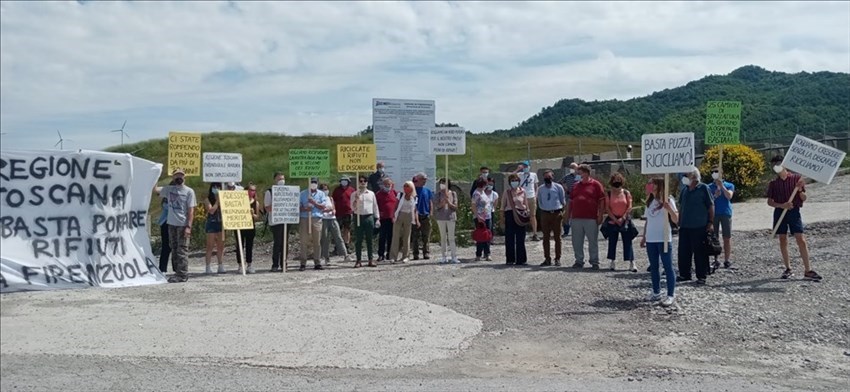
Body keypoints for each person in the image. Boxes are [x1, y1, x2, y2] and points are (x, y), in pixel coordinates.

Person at [766, 156, 821, 281]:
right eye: (774, 164)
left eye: (778, 163)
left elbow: (804, 198)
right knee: (782, 239)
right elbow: (769, 202)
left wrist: (800, 190)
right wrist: (782, 205)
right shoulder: (773, 184)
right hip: (780, 212)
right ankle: (788, 268)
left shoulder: (796, 179)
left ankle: (808, 270)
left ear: (784, 164)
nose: (776, 166)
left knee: (800, 239)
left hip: (794, 212)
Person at [640, 178, 678, 307]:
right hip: (651, 238)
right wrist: (644, 236)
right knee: (654, 266)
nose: (650, 185)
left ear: (658, 185)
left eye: (652, 183)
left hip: (664, 238)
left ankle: (671, 294)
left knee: (667, 267)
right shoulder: (649, 200)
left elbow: (676, 219)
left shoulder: (668, 200)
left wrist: (669, 209)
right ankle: (656, 291)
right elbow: (648, 220)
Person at [154, 168, 196, 283]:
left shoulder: (189, 191)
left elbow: (191, 210)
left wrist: (188, 226)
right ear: (173, 178)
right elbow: (155, 190)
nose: (179, 178)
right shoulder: (169, 190)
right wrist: (156, 175)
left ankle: (183, 274)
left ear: (184, 177)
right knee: (174, 248)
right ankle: (178, 272)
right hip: (171, 224)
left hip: (183, 225)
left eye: (181, 176)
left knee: (182, 250)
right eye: (176, 176)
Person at [677, 167, 714, 285]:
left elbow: (711, 206)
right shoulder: (685, 190)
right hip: (685, 226)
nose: (683, 177)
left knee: (700, 252)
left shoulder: (703, 188)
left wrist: (710, 222)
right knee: (683, 252)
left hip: (699, 226)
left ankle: (701, 275)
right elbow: (681, 207)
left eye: (685, 175)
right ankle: (685, 274)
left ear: (693, 176)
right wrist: (678, 222)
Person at [568, 164, 606, 270]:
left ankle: (594, 261)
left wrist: (600, 214)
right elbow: (571, 201)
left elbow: (602, 200)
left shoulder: (596, 185)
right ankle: (579, 260)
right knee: (576, 241)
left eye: (581, 172)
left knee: (592, 240)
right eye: (578, 172)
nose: (579, 174)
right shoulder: (575, 185)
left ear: (587, 173)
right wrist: (568, 215)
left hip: (591, 217)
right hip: (576, 217)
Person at [605, 172, 636, 272]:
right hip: (613, 219)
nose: (616, 183)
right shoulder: (609, 193)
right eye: (614, 181)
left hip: (625, 219)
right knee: (612, 241)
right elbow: (607, 208)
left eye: (618, 181)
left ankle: (632, 262)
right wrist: (614, 219)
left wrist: (623, 218)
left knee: (628, 241)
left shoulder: (626, 193)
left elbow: (629, 206)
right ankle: (612, 262)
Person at [537, 170, 566, 266]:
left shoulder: (558, 187)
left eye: (549, 177)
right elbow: (539, 201)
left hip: (556, 214)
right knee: (546, 237)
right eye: (545, 177)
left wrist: (562, 213)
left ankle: (557, 258)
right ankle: (547, 258)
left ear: (553, 177)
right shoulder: (540, 189)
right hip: (545, 214)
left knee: (557, 237)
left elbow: (563, 200)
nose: (547, 179)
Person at [708, 167, 735, 270]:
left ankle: (727, 260)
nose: (714, 173)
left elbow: (729, 196)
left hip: (725, 213)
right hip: (714, 214)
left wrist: (722, 187)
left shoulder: (729, 185)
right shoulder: (708, 187)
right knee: (714, 238)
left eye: (716, 172)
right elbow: (709, 201)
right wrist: (715, 195)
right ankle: (716, 260)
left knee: (726, 237)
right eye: (713, 172)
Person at [351, 175, 380, 267]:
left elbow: (375, 206)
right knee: (359, 240)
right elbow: (352, 207)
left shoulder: (371, 194)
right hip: (358, 217)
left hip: (369, 217)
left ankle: (370, 259)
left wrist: (377, 218)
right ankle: (358, 260)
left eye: (365, 181)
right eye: (361, 181)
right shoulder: (354, 194)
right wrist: (356, 199)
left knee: (369, 239)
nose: (363, 183)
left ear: (367, 183)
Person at [299, 177, 326, 271]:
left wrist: (313, 202)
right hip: (304, 218)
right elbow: (298, 207)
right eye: (311, 182)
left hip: (316, 219)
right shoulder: (302, 193)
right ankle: (303, 263)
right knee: (303, 241)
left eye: (315, 182)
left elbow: (323, 206)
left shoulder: (321, 194)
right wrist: (306, 209)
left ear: (317, 183)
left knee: (317, 241)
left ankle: (317, 262)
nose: (313, 183)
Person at [318, 184, 350, 265]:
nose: (325, 191)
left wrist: (332, 210)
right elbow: (320, 210)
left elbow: (333, 208)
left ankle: (345, 255)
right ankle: (325, 257)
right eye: (323, 189)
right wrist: (327, 210)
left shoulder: (330, 198)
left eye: (326, 189)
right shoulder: (319, 199)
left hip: (332, 219)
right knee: (325, 239)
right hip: (324, 219)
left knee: (338, 237)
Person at [501, 174, 529, 265]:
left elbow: (526, 204)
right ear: (509, 182)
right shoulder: (507, 192)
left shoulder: (523, 191)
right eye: (512, 180)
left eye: (516, 180)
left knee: (521, 238)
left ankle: (521, 259)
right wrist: (502, 219)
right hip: (510, 214)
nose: (514, 182)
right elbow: (502, 206)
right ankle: (510, 259)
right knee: (510, 238)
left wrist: (527, 214)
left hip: (521, 215)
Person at [390, 181, 419, 263]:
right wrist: (393, 216)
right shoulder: (400, 195)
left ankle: (406, 256)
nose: (405, 187)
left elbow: (415, 210)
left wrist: (417, 220)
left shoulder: (415, 197)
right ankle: (393, 256)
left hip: (409, 216)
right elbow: (395, 206)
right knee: (396, 235)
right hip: (399, 215)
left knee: (407, 236)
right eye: (405, 186)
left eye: (407, 186)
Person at [234, 183, 260, 274]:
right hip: (240, 226)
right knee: (240, 245)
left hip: (250, 226)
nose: (252, 192)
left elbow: (257, 217)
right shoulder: (239, 201)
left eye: (253, 190)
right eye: (250, 190)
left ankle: (249, 264)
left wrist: (253, 214)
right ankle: (240, 265)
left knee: (249, 246)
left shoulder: (256, 202)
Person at [264, 172, 287, 272]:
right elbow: (267, 207)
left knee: (285, 242)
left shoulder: (288, 191)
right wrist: (279, 205)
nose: (281, 181)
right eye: (279, 179)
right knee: (277, 242)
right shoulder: (270, 192)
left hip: (286, 220)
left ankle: (284, 263)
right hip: (275, 221)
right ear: (275, 180)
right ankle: (275, 264)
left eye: (282, 178)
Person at [434, 178, 459, 264]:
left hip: (451, 217)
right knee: (443, 237)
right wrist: (442, 202)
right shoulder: (438, 194)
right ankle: (444, 256)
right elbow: (436, 207)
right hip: (441, 218)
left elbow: (455, 207)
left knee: (451, 237)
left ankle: (454, 256)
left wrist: (449, 202)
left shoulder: (453, 193)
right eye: (441, 183)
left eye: (444, 183)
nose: (442, 184)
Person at [204, 182, 226, 274]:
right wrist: (217, 201)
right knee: (210, 245)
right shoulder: (207, 199)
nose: (216, 189)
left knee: (220, 246)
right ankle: (208, 266)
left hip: (221, 222)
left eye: (218, 187)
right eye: (215, 187)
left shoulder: (223, 199)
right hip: (211, 223)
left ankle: (220, 265)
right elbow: (211, 211)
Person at [410, 172, 433, 260]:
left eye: (426, 179)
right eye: (423, 179)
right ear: (418, 179)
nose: (425, 181)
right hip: (416, 216)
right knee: (415, 236)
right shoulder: (413, 190)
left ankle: (426, 253)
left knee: (426, 236)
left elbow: (430, 202)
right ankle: (415, 254)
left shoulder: (427, 190)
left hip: (425, 215)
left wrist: (431, 212)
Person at [515, 161, 540, 241]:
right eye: (524, 166)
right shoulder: (519, 175)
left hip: (531, 197)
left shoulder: (533, 175)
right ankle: (522, 233)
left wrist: (536, 195)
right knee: (521, 215)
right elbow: (511, 176)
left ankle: (535, 233)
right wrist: (517, 169)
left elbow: (536, 186)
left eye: (526, 166)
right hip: (521, 197)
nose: (525, 168)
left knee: (532, 216)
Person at [376, 177, 398, 262]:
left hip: (392, 219)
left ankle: (389, 254)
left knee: (391, 237)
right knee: (382, 237)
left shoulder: (395, 193)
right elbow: (375, 205)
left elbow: (398, 205)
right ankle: (381, 255)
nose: (387, 186)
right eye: (386, 184)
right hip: (382, 219)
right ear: (382, 185)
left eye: (389, 184)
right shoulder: (378, 194)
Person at [472, 179, 494, 261]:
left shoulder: (483, 192)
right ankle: (478, 254)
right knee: (481, 236)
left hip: (487, 216)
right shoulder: (476, 193)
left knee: (487, 235)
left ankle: (487, 253)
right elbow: (473, 205)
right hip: (480, 217)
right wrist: (478, 216)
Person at [332, 175, 355, 251]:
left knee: (347, 229)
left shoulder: (352, 190)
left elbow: (355, 201)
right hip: (338, 213)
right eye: (342, 180)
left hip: (348, 213)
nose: (344, 182)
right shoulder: (337, 190)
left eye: (345, 180)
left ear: (348, 182)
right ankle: (337, 246)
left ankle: (346, 245)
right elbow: (333, 201)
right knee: (338, 230)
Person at [156, 180, 175, 273]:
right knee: (166, 247)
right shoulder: (166, 194)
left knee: (176, 246)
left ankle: (176, 268)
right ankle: (162, 269)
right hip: (166, 222)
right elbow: (155, 190)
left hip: (176, 222)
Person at [560, 162, 580, 238]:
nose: (572, 169)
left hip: (578, 198)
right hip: (569, 197)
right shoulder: (567, 176)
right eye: (570, 168)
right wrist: (566, 188)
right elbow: (560, 182)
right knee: (567, 214)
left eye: (573, 167)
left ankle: (577, 230)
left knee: (577, 215)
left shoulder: (580, 176)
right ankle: (566, 230)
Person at [484, 177, 499, 249]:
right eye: (488, 184)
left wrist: (493, 209)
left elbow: (495, 203)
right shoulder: (482, 193)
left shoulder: (494, 194)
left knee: (491, 226)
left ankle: (490, 238)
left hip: (490, 211)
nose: (489, 185)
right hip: (483, 213)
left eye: (491, 184)